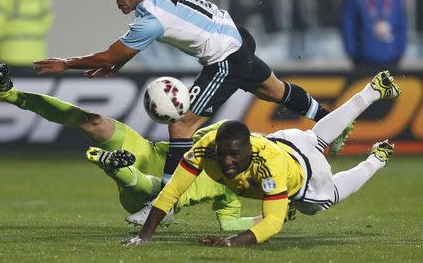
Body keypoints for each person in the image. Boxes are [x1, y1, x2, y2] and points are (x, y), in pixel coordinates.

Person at [32, 0, 350, 198]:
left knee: (181, 124)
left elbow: (111, 55)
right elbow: (126, 51)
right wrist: (119, 61)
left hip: (224, 56)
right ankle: (333, 121)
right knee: (273, 90)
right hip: (237, 36)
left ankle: (163, 202)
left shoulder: (150, 19)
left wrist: (66, 62)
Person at [0, 63, 297, 231]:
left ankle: (116, 167)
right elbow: (189, 126)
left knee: (155, 189)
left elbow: (230, 223)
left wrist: (272, 217)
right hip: (151, 152)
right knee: (93, 122)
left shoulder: (227, 190)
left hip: (145, 198)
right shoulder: (226, 139)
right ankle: (8, 94)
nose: (233, 163)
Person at [122, 70, 400, 246]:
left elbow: (272, 224)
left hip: (306, 174)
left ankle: (377, 157)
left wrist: (230, 242)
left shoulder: (269, 169)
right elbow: (172, 190)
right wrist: (144, 236)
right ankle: (371, 91)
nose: (227, 161)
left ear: (249, 151)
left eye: (234, 155)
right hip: (288, 140)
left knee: (323, 201)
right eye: (223, 154)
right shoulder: (207, 147)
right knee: (315, 137)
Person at [341, 0, 407, 71]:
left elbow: (402, 25)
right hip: (364, 60)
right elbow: (348, 26)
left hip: (391, 59)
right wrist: (353, 53)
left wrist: (400, 51)